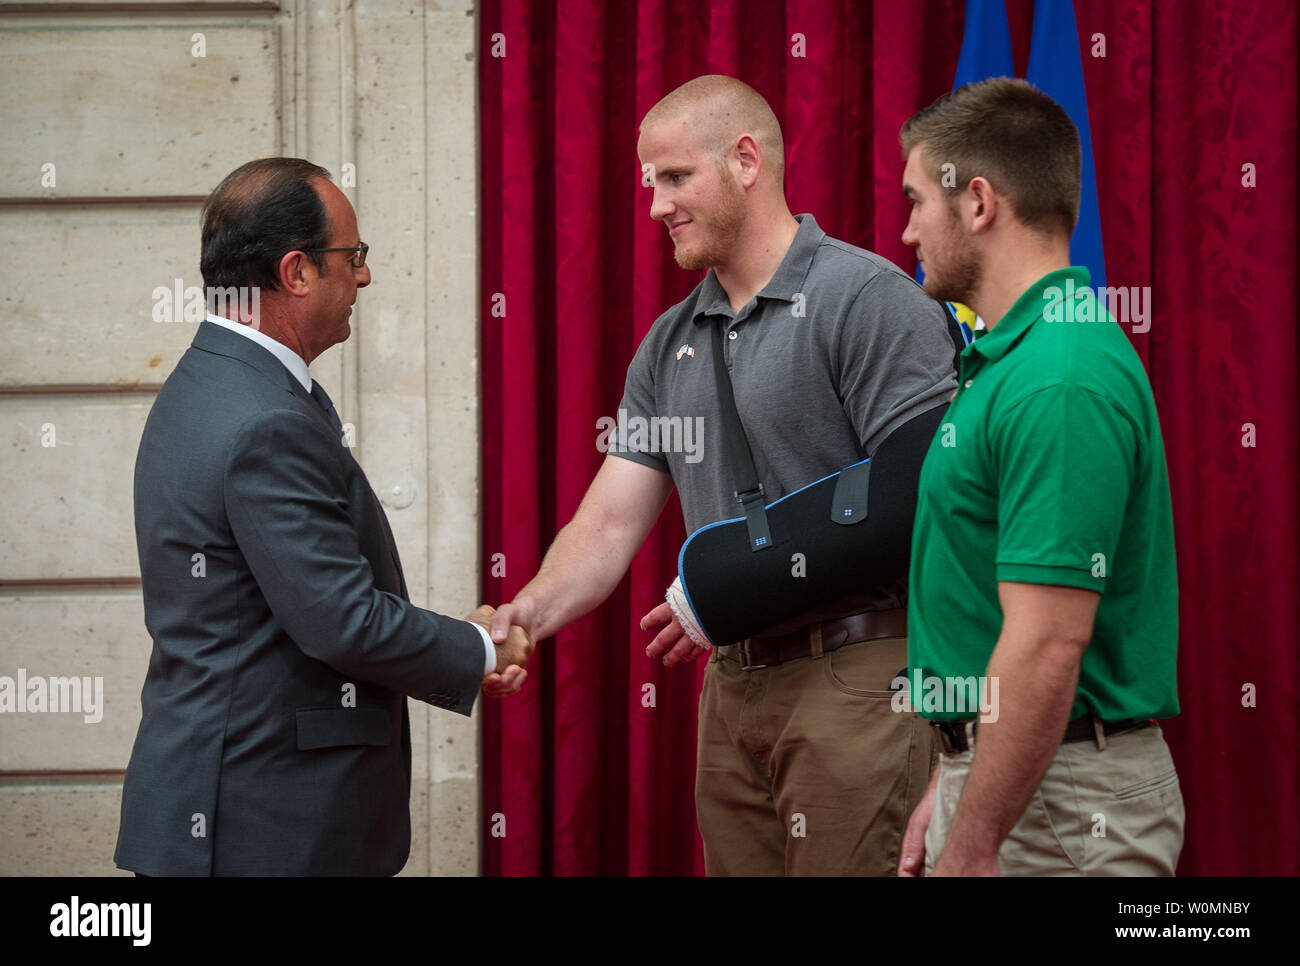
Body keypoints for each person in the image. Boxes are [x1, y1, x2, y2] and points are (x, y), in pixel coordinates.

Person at [488, 75, 959, 875]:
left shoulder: (867, 299)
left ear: (746, 159)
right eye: (651, 184)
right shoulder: (667, 342)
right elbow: (607, 521)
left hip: (859, 680)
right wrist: (524, 611)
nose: (656, 207)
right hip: (731, 692)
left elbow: (923, 497)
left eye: (676, 178)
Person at [115, 158, 531, 876]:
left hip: (223, 808)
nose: (364, 277)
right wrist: (479, 649)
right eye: (354, 256)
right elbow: (343, 622)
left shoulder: (208, 383)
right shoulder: (263, 419)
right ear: (297, 271)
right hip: (265, 825)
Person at [895, 78, 1184, 877]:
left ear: (977, 202)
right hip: (1024, 785)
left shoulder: (1057, 376)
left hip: (1060, 815)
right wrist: (954, 777)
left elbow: (1048, 645)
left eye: (918, 200)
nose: (908, 227)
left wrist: (975, 841)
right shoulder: (1015, 361)